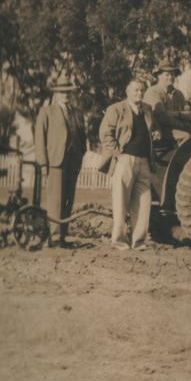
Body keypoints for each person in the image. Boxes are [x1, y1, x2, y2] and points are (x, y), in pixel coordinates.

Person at [99, 75, 160, 250]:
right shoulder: (116, 109)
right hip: (125, 160)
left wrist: (156, 134)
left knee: (143, 202)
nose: (139, 93)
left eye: (142, 90)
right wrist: (118, 153)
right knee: (120, 202)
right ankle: (119, 241)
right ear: (127, 92)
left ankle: (138, 241)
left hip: (144, 162)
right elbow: (105, 134)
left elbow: (153, 130)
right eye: (136, 90)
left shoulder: (148, 110)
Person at [35, 74, 87, 248]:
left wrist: (81, 154)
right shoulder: (47, 112)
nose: (66, 95)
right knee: (55, 200)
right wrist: (43, 163)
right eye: (62, 92)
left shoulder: (77, 113)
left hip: (73, 162)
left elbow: (82, 136)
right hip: (56, 162)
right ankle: (55, 237)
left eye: (68, 92)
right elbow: (40, 139)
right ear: (56, 93)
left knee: (68, 200)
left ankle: (63, 236)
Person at [145, 59, 191, 163]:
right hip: (159, 131)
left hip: (173, 130)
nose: (170, 77)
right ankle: (181, 164)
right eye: (167, 74)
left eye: (172, 74)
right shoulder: (153, 92)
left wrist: (175, 114)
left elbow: (189, 114)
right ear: (159, 76)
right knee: (186, 137)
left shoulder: (178, 94)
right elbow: (162, 117)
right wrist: (182, 123)